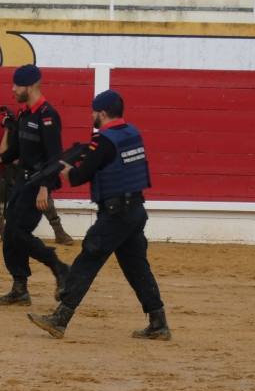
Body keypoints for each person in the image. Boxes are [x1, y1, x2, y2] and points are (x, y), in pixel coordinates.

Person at [27, 89, 171, 340]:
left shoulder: (103, 141)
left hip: (115, 214)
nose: (92, 115)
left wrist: (63, 167)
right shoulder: (132, 133)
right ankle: (158, 322)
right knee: (137, 267)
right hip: (135, 210)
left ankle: (60, 318)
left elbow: (78, 176)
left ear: (102, 113)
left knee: (88, 260)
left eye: (94, 112)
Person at [0, 65, 70, 307]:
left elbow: (55, 157)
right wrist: (0, 158)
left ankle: (59, 266)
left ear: (30, 86)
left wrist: (45, 187)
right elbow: (19, 148)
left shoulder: (48, 116)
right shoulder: (24, 114)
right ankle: (20, 288)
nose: (13, 89)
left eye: (17, 85)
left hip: (37, 183)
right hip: (22, 180)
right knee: (12, 233)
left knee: (17, 233)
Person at [0, 105, 75, 244]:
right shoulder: (15, 134)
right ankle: (4, 231)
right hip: (10, 183)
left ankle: (59, 231)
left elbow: (25, 158)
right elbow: (2, 154)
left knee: (44, 194)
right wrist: (7, 130)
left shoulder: (32, 137)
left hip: (28, 182)